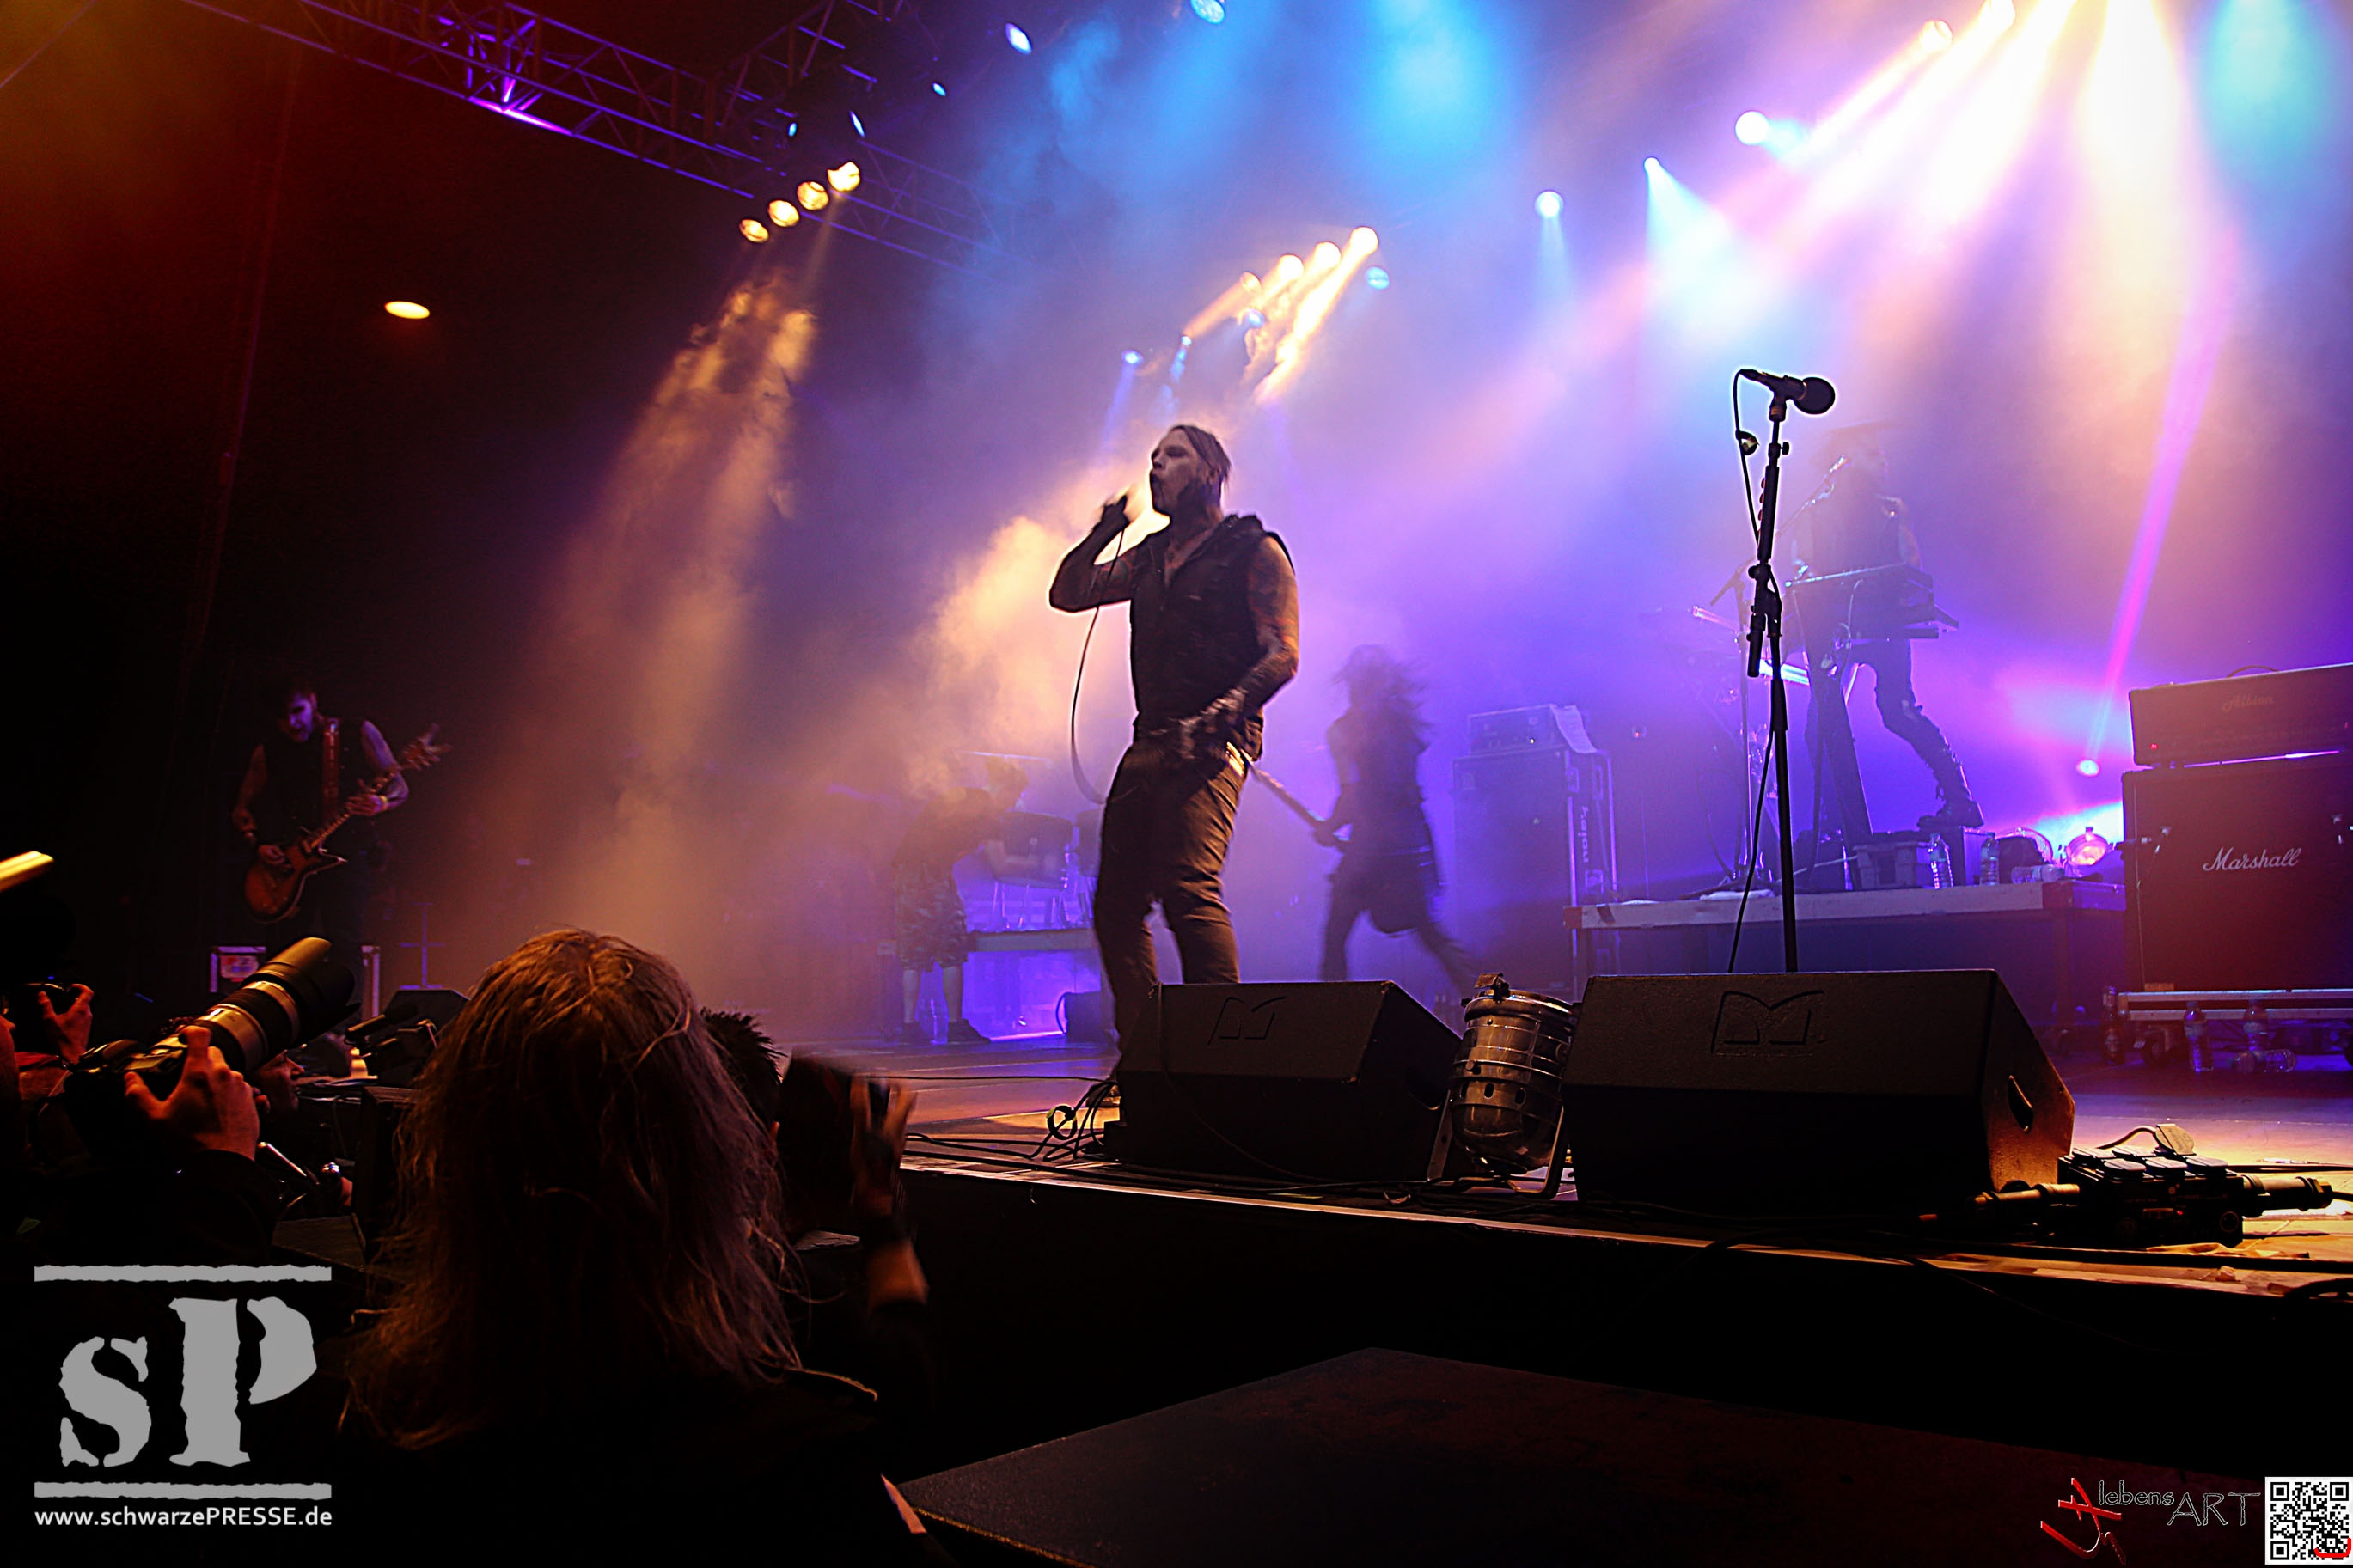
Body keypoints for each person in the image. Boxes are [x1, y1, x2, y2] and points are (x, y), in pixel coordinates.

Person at [340, 930, 943, 1556]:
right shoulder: (795, 1449)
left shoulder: (379, 1419)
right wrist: (881, 1211)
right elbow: (907, 1384)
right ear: (717, 1145)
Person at [1050, 426, 1299, 1048]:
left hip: (1214, 743)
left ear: (1211, 470)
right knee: (1115, 906)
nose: (1157, 466)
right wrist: (1103, 532)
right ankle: (1144, 1055)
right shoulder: (1150, 557)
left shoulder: (1253, 549)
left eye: (1174, 455)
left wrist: (1218, 716)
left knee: (1188, 888)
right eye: (1153, 458)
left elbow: (1283, 653)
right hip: (1151, 741)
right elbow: (1068, 594)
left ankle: (1221, 1057)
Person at [1789, 425, 1981, 839]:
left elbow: (1911, 565)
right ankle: (1836, 822)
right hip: (1835, 623)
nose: (1884, 461)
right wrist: (1816, 588)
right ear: (1845, 460)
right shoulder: (1814, 511)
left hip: (1884, 622)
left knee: (1899, 711)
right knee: (1819, 724)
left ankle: (1960, 800)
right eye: (1873, 454)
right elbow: (1802, 564)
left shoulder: (1893, 510)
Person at [1316, 647, 1477, 1000]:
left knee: (1335, 935)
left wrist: (1329, 827)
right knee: (1432, 935)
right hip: (1411, 842)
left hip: (1369, 849)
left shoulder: (1343, 731)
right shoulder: (1405, 727)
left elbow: (1353, 795)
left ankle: (1332, 1013)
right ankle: (1486, 1006)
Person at [230, 675, 406, 954]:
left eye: (297, 710)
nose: (292, 723)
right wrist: (258, 843)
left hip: (346, 855)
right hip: (290, 864)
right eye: (282, 717)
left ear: (313, 700)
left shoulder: (357, 732)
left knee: (344, 944)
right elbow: (242, 810)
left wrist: (381, 802)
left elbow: (399, 787)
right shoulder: (269, 751)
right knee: (285, 951)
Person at [889, 760, 1037, 1046]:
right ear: (1003, 789)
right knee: (951, 947)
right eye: (1014, 794)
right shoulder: (988, 815)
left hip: (906, 873)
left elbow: (940, 839)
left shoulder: (961, 797)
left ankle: (909, 1026)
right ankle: (955, 1026)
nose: (1013, 802)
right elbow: (1000, 864)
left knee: (913, 951)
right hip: (929, 875)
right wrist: (1036, 864)